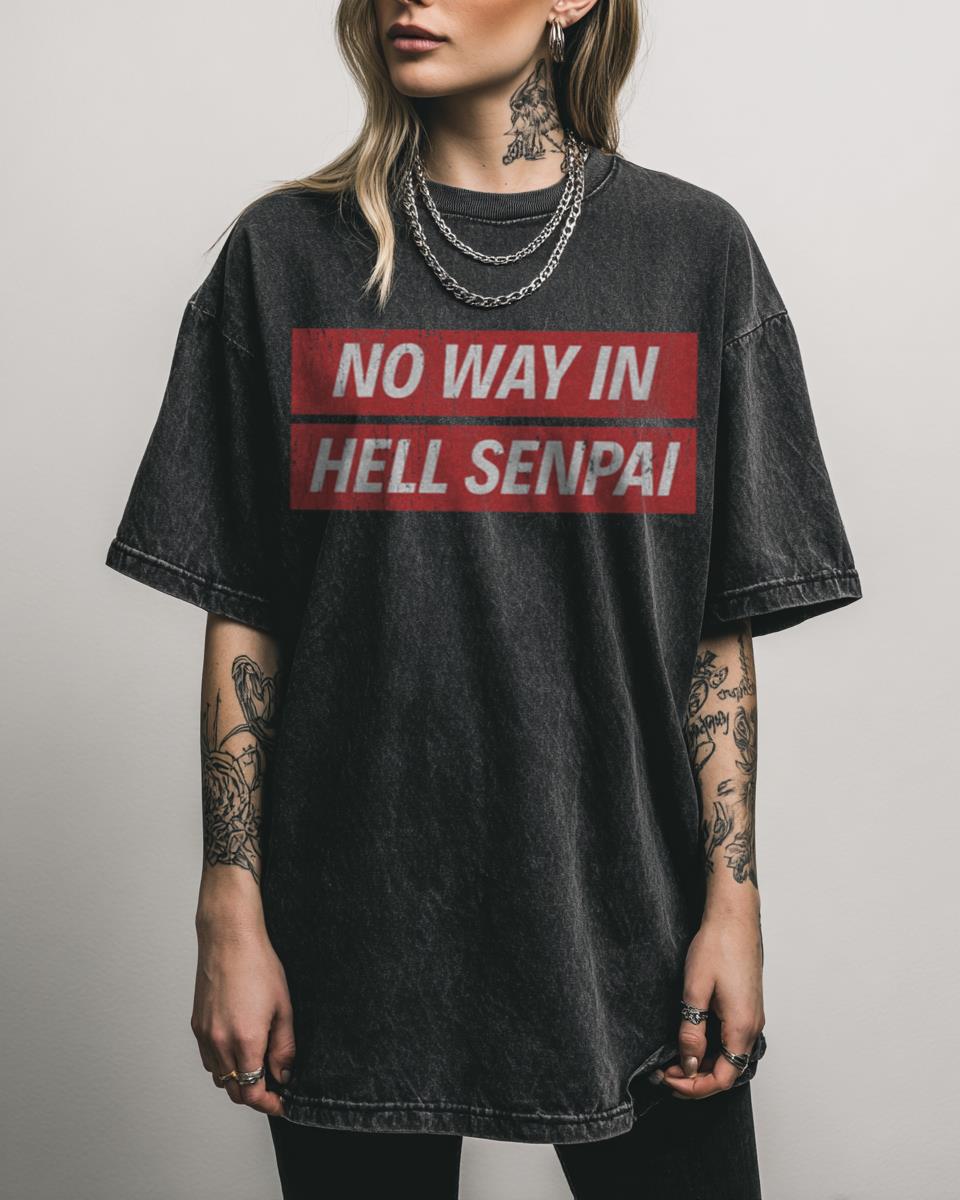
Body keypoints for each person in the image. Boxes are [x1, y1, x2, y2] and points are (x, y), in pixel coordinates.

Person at [104, 1, 863, 1196]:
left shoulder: (693, 253)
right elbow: (245, 610)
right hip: (350, 932)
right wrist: (229, 905)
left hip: (632, 925)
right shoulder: (285, 255)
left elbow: (714, 633)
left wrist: (735, 902)